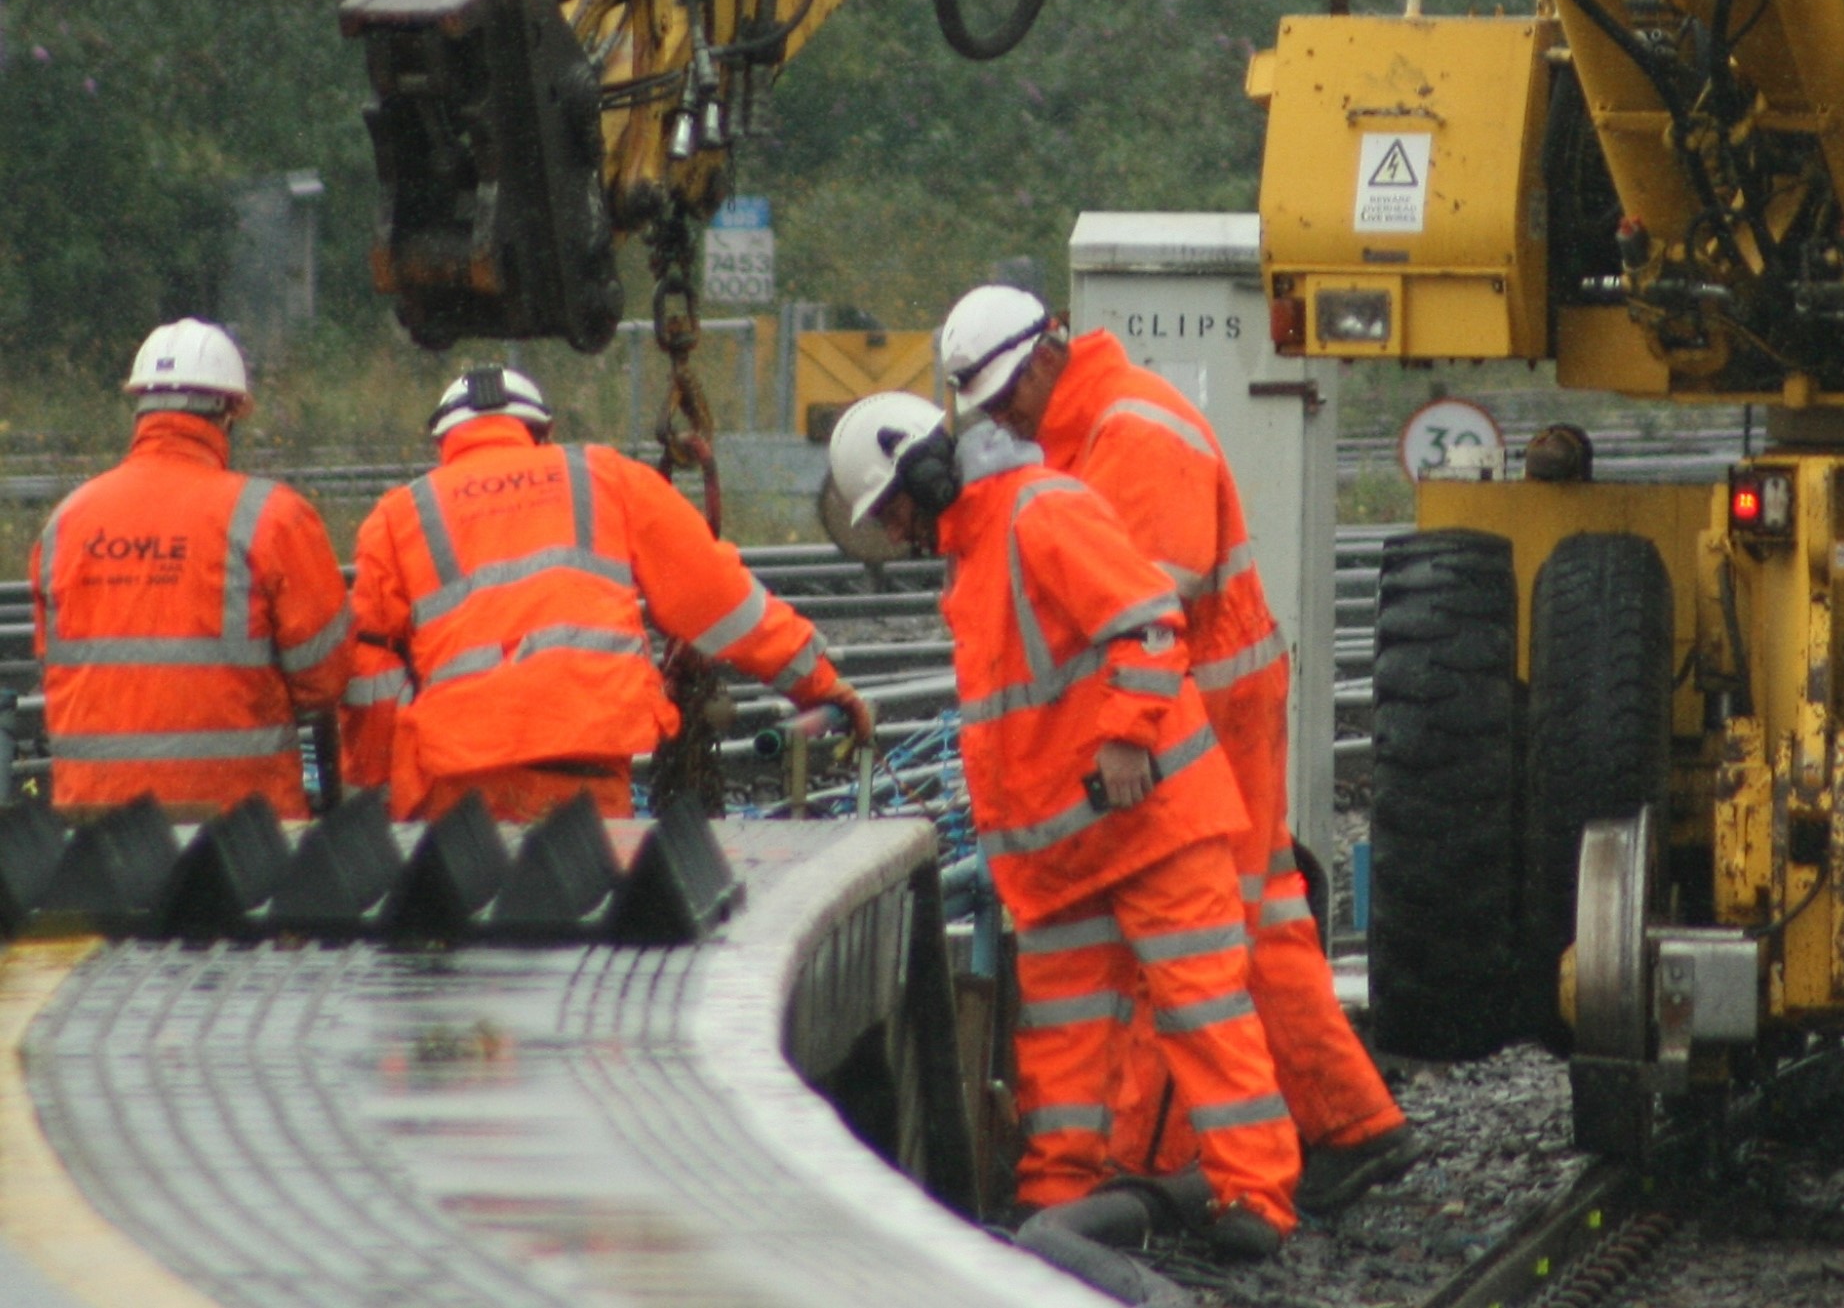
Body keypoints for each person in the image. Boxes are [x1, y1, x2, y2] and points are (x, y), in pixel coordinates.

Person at [938, 286, 1416, 1217]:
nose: (1002, 419)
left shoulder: (1132, 432)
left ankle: (1231, 1150)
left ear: (1046, 356)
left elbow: (1137, 612)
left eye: (1005, 398)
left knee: (1209, 939)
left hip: (1209, 707)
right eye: (986, 408)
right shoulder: (1089, 430)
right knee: (1256, 921)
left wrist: (1114, 731)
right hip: (1205, 700)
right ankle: (1349, 1125)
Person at [826, 392, 1299, 1259]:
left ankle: (1257, 1197)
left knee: (1204, 1015)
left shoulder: (1040, 511)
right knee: (1064, 1045)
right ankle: (1055, 1201)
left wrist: (1124, 738)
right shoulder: (975, 556)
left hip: (1150, 823)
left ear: (927, 473)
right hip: (1062, 856)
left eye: (892, 507)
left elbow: (1151, 625)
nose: (893, 531)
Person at [342, 365, 868, 822]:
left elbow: (372, 678)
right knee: (584, 920)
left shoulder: (396, 517)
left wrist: (381, 798)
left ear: (445, 443)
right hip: (583, 764)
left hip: (456, 777)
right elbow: (721, 601)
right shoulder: (605, 477)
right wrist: (820, 685)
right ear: (542, 432)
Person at [32, 321, 351, 818]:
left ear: (140, 409)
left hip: (94, 835)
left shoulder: (67, 522)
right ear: (230, 413)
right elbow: (324, 681)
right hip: (241, 832)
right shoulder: (272, 518)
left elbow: (55, 664)